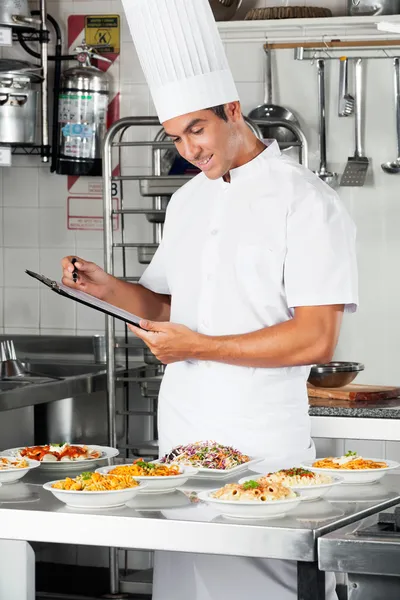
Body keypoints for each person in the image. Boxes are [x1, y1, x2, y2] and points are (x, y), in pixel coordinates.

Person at [62, 1, 358, 598]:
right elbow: (173, 307)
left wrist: (200, 346)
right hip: (181, 445)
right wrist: (109, 287)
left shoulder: (307, 203)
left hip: (261, 450)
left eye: (197, 129)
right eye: (176, 136)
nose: (190, 149)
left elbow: (316, 338)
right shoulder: (188, 201)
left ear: (232, 110)